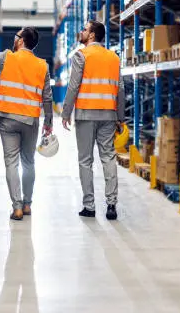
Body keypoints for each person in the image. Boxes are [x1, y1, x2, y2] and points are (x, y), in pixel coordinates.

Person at [0, 17, 53, 220]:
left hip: (7, 120)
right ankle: (27, 205)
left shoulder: (7, 58)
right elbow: (47, 97)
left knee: (11, 163)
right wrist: (48, 123)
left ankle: (16, 207)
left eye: (17, 36)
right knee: (29, 162)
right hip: (30, 121)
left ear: (21, 40)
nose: (14, 39)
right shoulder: (43, 65)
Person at [61, 20, 125, 220]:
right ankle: (112, 205)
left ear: (91, 35)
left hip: (86, 114)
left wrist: (65, 113)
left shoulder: (81, 55)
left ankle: (89, 206)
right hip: (108, 115)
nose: (81, 31)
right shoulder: (113, 58)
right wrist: (120, 117)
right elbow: (120, 89)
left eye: (84, 29)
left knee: (85, 160)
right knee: (108, 157)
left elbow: (73, 87)